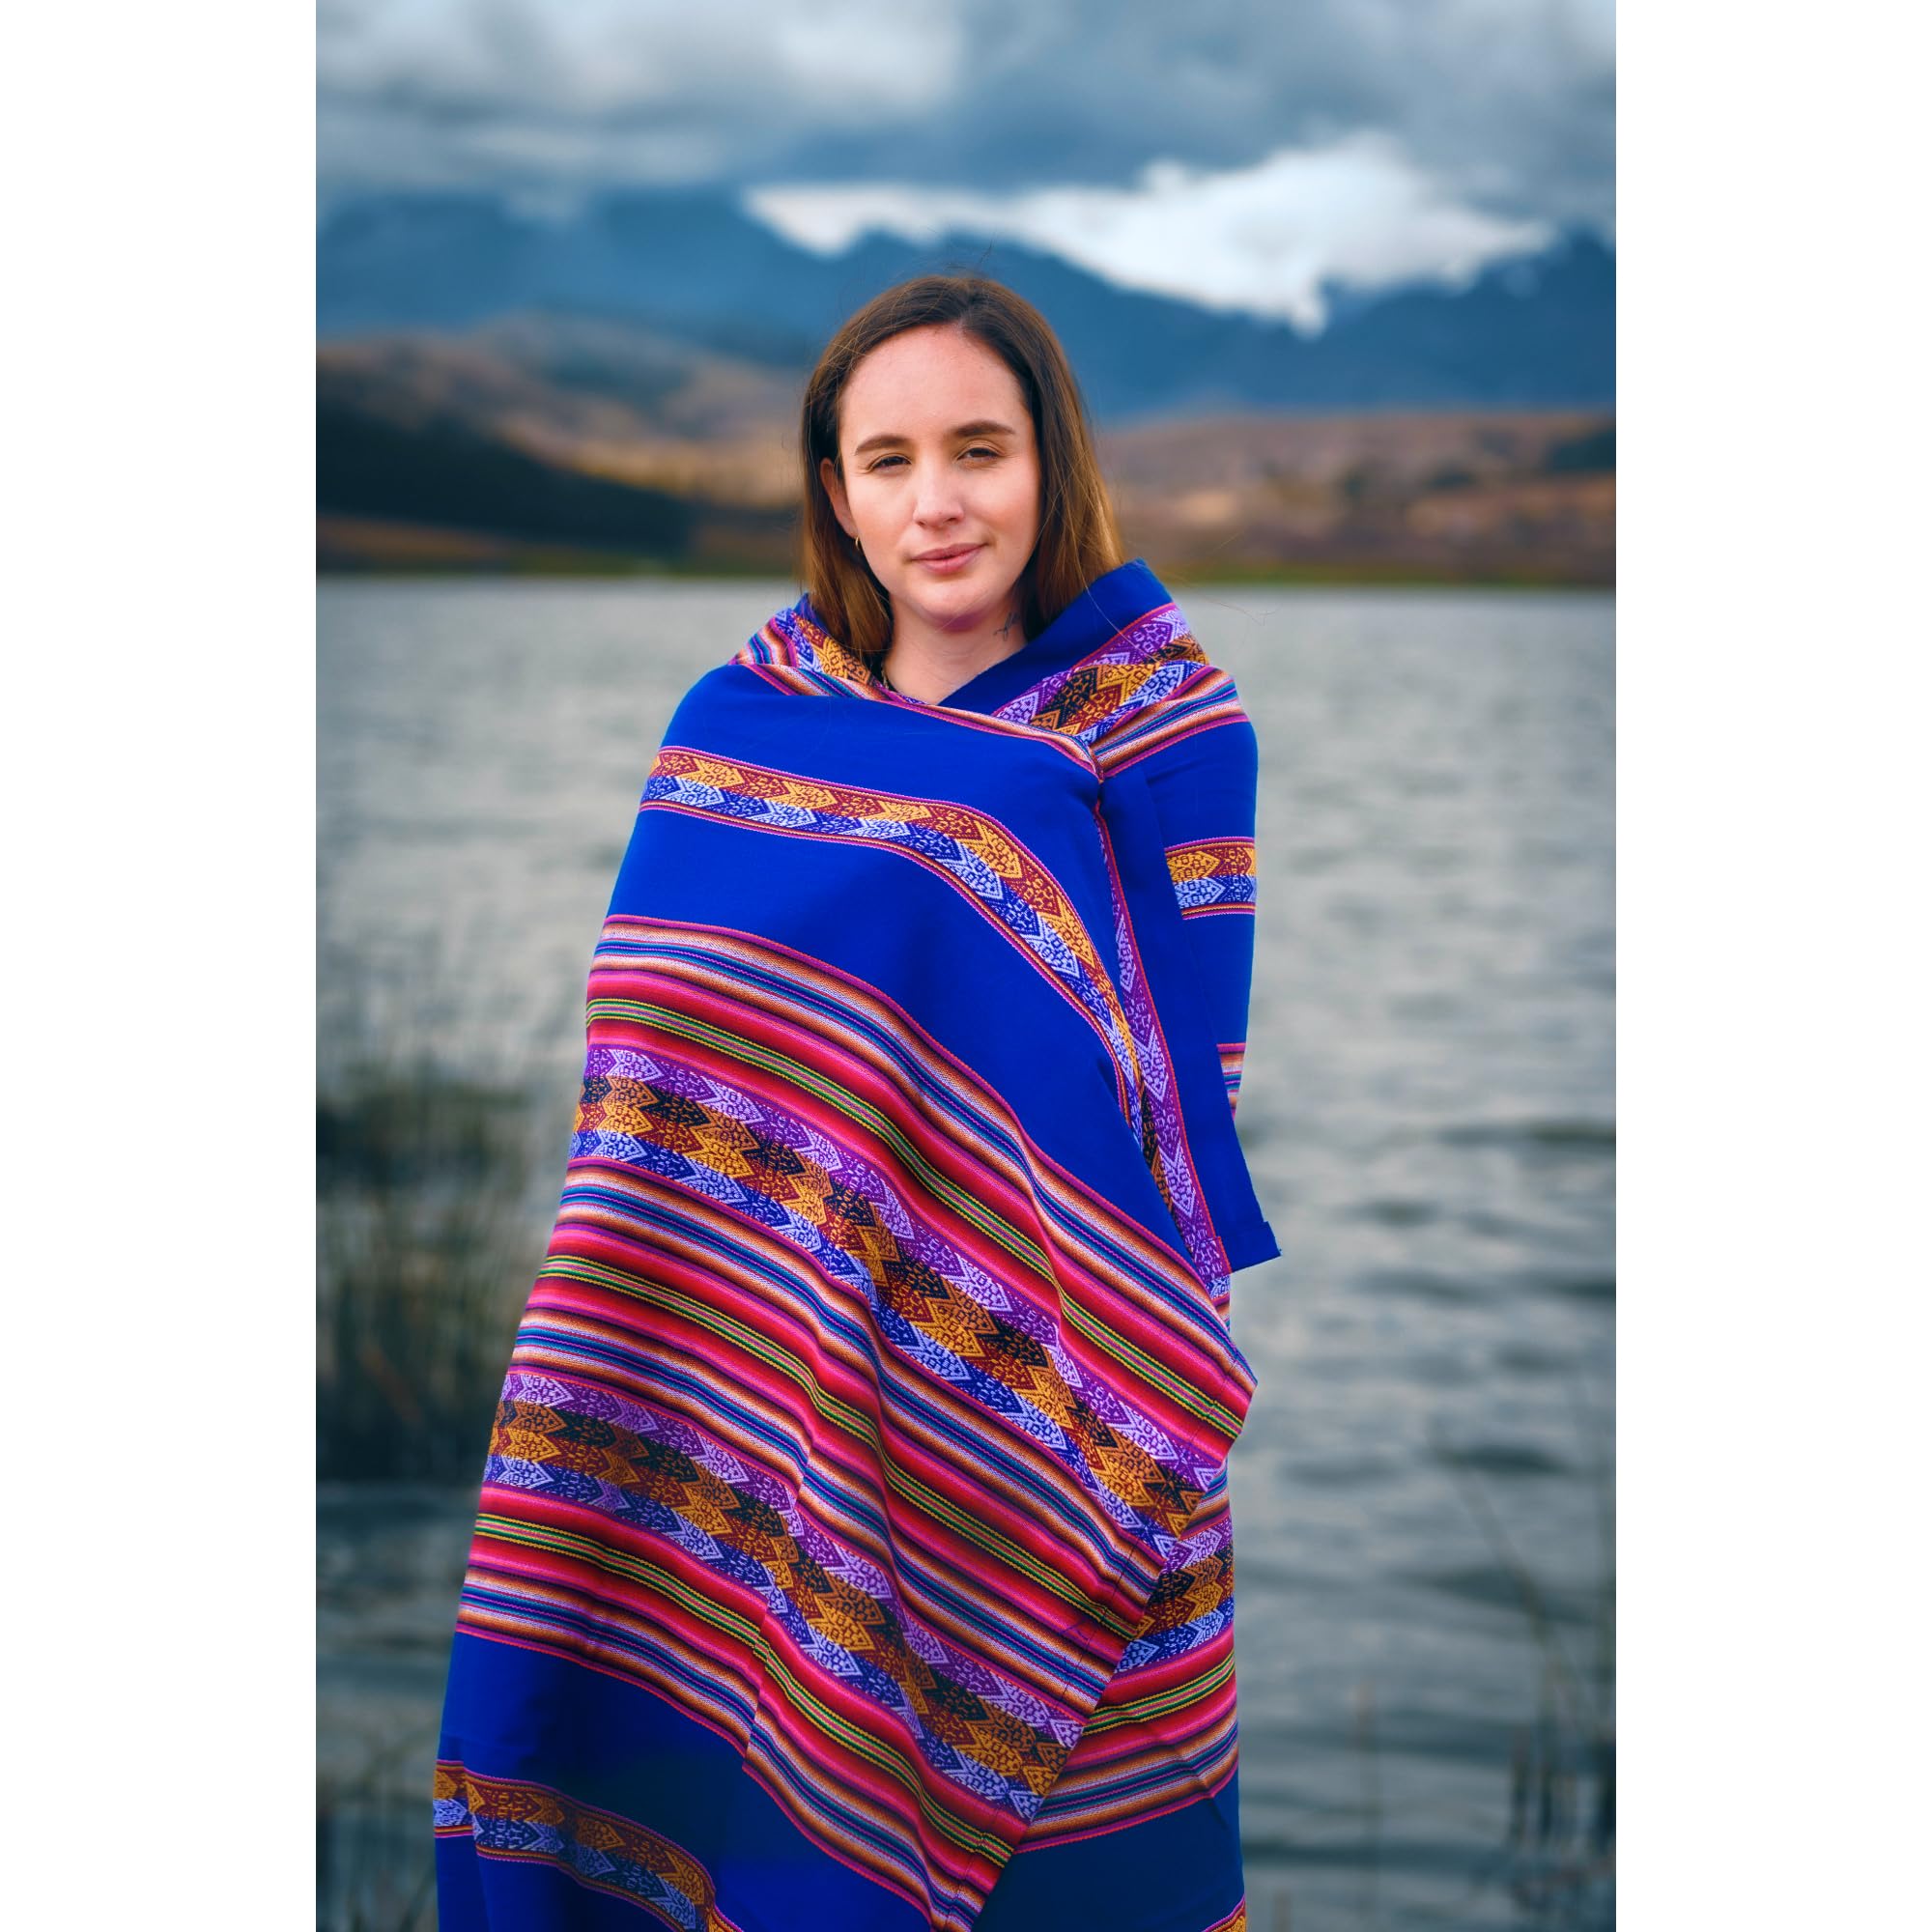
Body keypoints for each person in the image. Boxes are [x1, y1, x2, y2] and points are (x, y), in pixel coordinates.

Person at [432, 271, 1279, 1932]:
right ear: (836, 491)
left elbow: (1169, 1113)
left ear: (1051, 462)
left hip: (1028, 1396)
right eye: (889, 461)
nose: (937, 502)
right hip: (730, 1359)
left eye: (980, 450)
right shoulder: (738, 725)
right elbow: (652, 1053)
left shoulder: (1167, 736)